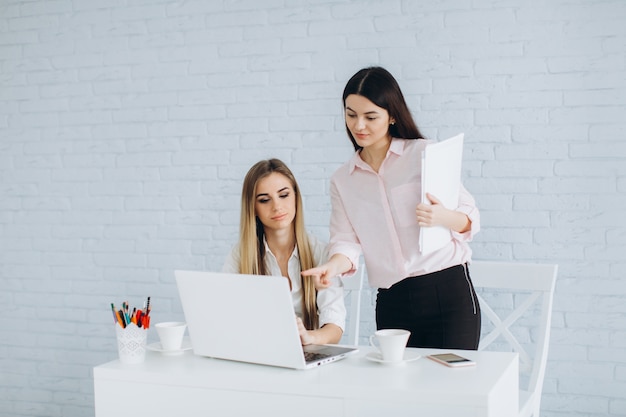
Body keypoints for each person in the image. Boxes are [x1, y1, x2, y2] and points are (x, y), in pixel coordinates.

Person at [302, 66, 481, 350]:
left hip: (447, 292)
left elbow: (470, 219)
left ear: (392, 115)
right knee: (400, 390)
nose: (359, 125)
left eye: (370, 116)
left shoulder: (424, 154)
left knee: (449, 388)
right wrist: (332, 267)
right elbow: (346, 242)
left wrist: (442, 216)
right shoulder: (342, 181)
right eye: (351, 115)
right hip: (392, 300)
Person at [223, 158, 346, 346]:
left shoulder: (320, 253)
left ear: (296, 197)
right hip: (260, 352)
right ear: (253, 208)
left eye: (284, 195)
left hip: (309, 353)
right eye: (264, 200)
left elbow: (334, 327)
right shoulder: (240, 255)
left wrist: (309, 337)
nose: (276, 207)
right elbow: (226, 314)